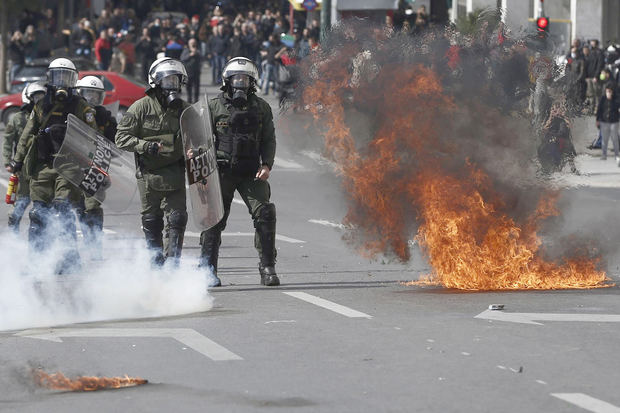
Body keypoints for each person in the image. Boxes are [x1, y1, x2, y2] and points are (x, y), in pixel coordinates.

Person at [8, 58, 98, 273]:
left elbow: (92, 137)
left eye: (66, 77)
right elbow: (28, 134)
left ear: (74, 80)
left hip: (68, 166)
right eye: (58, 77)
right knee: (39, 214)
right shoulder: (40, 106)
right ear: (50, 78)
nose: (62, 82)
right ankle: (38, 260)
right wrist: (17, 160)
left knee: (63, 208)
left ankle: (69, 259)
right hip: (42, 165)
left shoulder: (80, 106)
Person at [197, 57, 279, 287]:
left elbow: (269, 139)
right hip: (221, 171)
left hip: (251, 170)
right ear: (228, 80)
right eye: (237, 79)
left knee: (265, 214)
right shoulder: (213, 106)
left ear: (252, 82)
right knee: (213, 219)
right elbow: (200, 137)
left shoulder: (262, 107)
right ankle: (207, 269)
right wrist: (200, 163)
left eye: (245, 79)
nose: (240, 83)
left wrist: (267, 165)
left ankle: (267, 267)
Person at [115, 57, 190, 266]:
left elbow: (199, 138)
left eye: (175, 81)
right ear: (156, 82)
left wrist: (194, 151)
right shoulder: (140, 108)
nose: (171, 86)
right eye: (167, 81)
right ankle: (155, 263)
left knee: (177, 219)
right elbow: (121, 138)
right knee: (152, 220)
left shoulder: (185, 110)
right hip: (149, 175)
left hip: (175, 173)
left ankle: (173, 264)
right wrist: (145, 146)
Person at [75, 76, 117, 256]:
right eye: (87, 94)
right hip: (72, 166)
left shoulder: (105, 117)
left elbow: (115, 143)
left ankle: (94, 246)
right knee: (73, 206)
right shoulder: (71, 111)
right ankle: (67, 250)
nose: (91, 99)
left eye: (95, 95)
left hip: (95, 167)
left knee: (92, 206)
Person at [3, 82, 46, 233]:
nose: (38, 100)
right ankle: (13, 234)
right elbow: (8, 141)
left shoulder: (47, 116)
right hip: (22, 167)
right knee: (21, 202)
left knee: (42, 204)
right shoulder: (17, 119)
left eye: (42, 96)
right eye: (36, 96)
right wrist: (8, 161)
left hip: (41, 167)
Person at [596, 84, 620, 163]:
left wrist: (611, 100)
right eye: (607, 91)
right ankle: (604, 154)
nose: (608, 93)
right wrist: (597, 120)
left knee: (615, 139)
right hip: (604, 121)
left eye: (609, 91)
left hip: (614, 122)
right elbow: (599, 109)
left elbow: (617, 108)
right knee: (604, 139)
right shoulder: (603, 99)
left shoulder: (616, 100)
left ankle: (617, 154)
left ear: (612, 92)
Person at [180, 38, 202, 103]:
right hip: (188, 71)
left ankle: (196, 100)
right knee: (188, 87)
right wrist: (190, 55)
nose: (193, 44)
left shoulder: (198, 50)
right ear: (189, 44)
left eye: (194, 43)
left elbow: (202, 57)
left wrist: (196, 53)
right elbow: (182, 58)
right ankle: (189, 100)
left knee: (196, 87)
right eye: (191, 43)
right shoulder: (186, 50)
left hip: (196, 71)